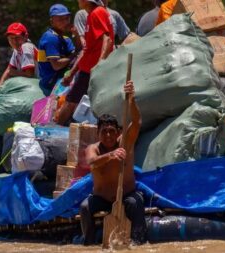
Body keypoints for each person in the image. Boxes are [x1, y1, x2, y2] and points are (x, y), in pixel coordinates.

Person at [80, 80, 146, 245]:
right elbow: (92, 163)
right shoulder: (93, 148)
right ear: (98, 133)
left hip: (126, 195)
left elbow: (137, 122)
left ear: (118, 132)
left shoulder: (125, 142)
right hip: (101, 198)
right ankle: (88, 243)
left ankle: (139, 242)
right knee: (85, 207)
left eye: (111, 131)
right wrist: (111, 155)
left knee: (134, 203)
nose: (108, 135)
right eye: (104, 132)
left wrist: (131, 99)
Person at [54, 0, 114, 125]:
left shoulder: (97, 12)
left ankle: (53, 133)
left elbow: (107, 40)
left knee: (71, 102)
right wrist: (72, 72)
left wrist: (99, 66)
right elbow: (86, 50)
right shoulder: (92, 15)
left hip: (92, 71)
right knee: (75, 104)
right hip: (87, 71)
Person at [37, 4, 76, 96]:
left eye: (67, 18)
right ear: (52, 22)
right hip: (50, 84)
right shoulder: (50, 37)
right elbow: (57, 65)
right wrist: (74, 55)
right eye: (60, 19)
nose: (65, 22)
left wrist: (77, 35)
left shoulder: (66, 39)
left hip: (59, 78)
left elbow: (77, 53)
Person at [0, 22, 38, 92]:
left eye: (17, 38)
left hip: (37, 83)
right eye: (11, 38)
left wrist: (13, 72)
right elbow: (8, 70)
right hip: (29, 83)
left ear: (25, 36)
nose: (14, 41)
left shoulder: (26, 47)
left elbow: (29, 74)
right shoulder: (17, 49)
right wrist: (0, 87)